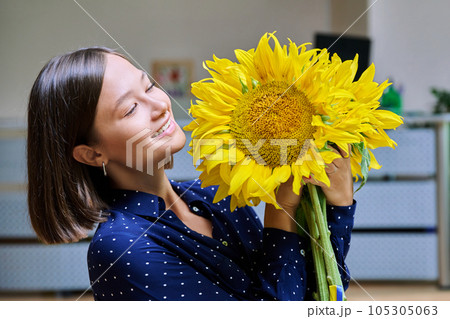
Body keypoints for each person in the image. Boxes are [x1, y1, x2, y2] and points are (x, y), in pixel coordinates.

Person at [27, 47, 356, 301]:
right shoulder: (121, 249)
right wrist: (281, 211)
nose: (160, 105)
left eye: (150, 86)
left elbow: (315, 293)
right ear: (91, 153)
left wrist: (339, 205)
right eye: (130, 108)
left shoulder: (213, 193)